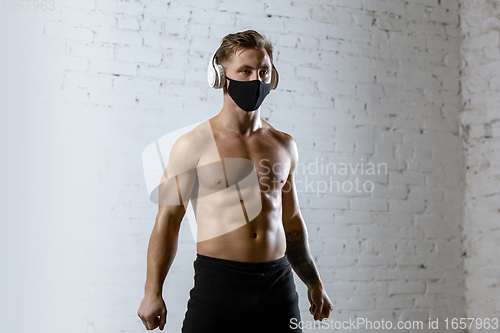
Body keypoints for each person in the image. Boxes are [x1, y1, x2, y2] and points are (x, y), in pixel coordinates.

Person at [137, 29, 333, 332]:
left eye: (263, 71)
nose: (256, 79)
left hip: (277, 286)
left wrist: (314, 281)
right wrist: (152, 292)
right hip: (218, 286)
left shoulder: (284, 145)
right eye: (245, 71)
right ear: (219, 77)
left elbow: (291, 219)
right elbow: (168, 220)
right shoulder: (193, 145)